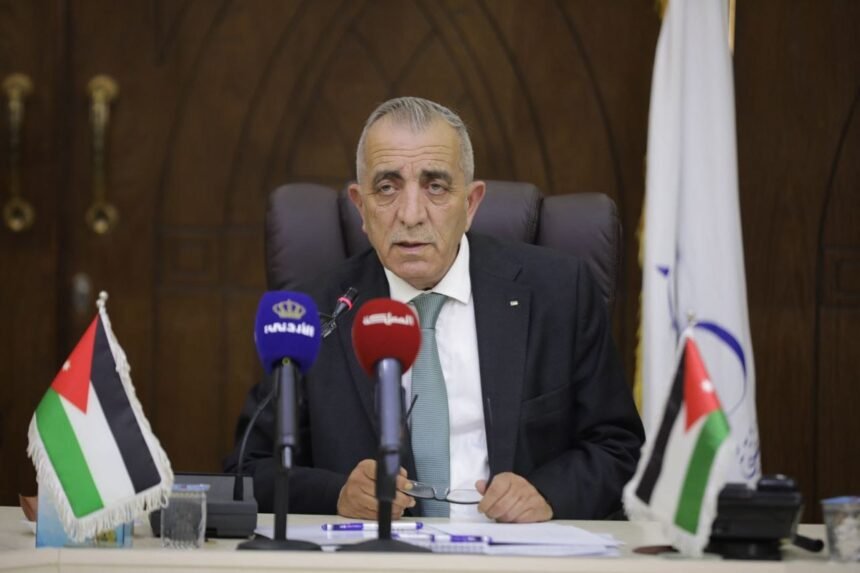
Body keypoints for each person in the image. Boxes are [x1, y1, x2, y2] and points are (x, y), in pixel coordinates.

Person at [224, 97, 644, 523]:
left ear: (471, 204)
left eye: (436, 186)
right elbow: (248, 469)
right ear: (360, 207)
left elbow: (619, 448)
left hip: (515, 549)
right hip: (378, 552)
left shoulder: (559, 293)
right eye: (387, 188)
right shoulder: (313, 315)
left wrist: (548, 493)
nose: (410, 215)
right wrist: (338, 495)